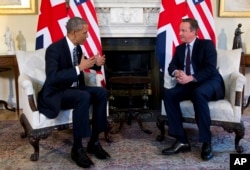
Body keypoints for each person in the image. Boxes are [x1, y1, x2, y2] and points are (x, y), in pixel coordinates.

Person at [37, 17, 110, 168]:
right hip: (57, 92)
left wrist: (95, 64)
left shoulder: (78, 48)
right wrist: (78, 68)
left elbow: (82, 65)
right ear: (75, 32)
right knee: (83, 96)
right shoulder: (54, 49)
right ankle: (77, 148)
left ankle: (94, 141)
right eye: (85, 32)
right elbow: (52, 77)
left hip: (74, 89)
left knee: (101, 93)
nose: (87, 36)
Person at [162, 18, 225, 161]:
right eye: (180, 30)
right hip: (189, 83)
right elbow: (171, 67)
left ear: (193, 32)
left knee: (199, 93)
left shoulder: (206, 45)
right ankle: (182, 140)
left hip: (210, 81)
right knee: (169, 94)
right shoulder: (179, 49)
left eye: (183, 30)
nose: (179, 33)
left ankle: (206, 141)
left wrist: (190, 78)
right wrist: (177, 73)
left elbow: (210, 69)